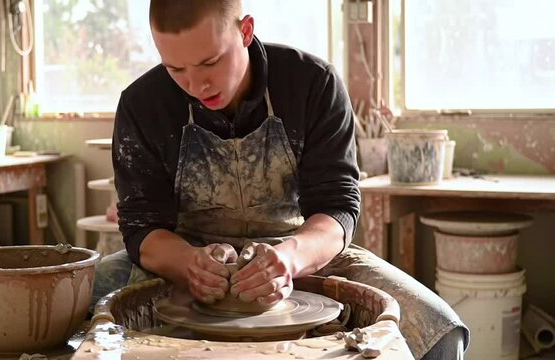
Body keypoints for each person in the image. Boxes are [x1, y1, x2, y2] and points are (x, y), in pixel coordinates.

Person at [93, 1, 469, 358]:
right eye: (175, 69)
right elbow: (142, 227)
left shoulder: (312, 84)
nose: (196, 84)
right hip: (185, 254)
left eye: (210, 62)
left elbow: (337, 209)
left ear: (245, 31)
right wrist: (189, 263)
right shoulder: (143, 103)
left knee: (438, 331)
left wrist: (288, 259)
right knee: (63, 310)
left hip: (300, 251)